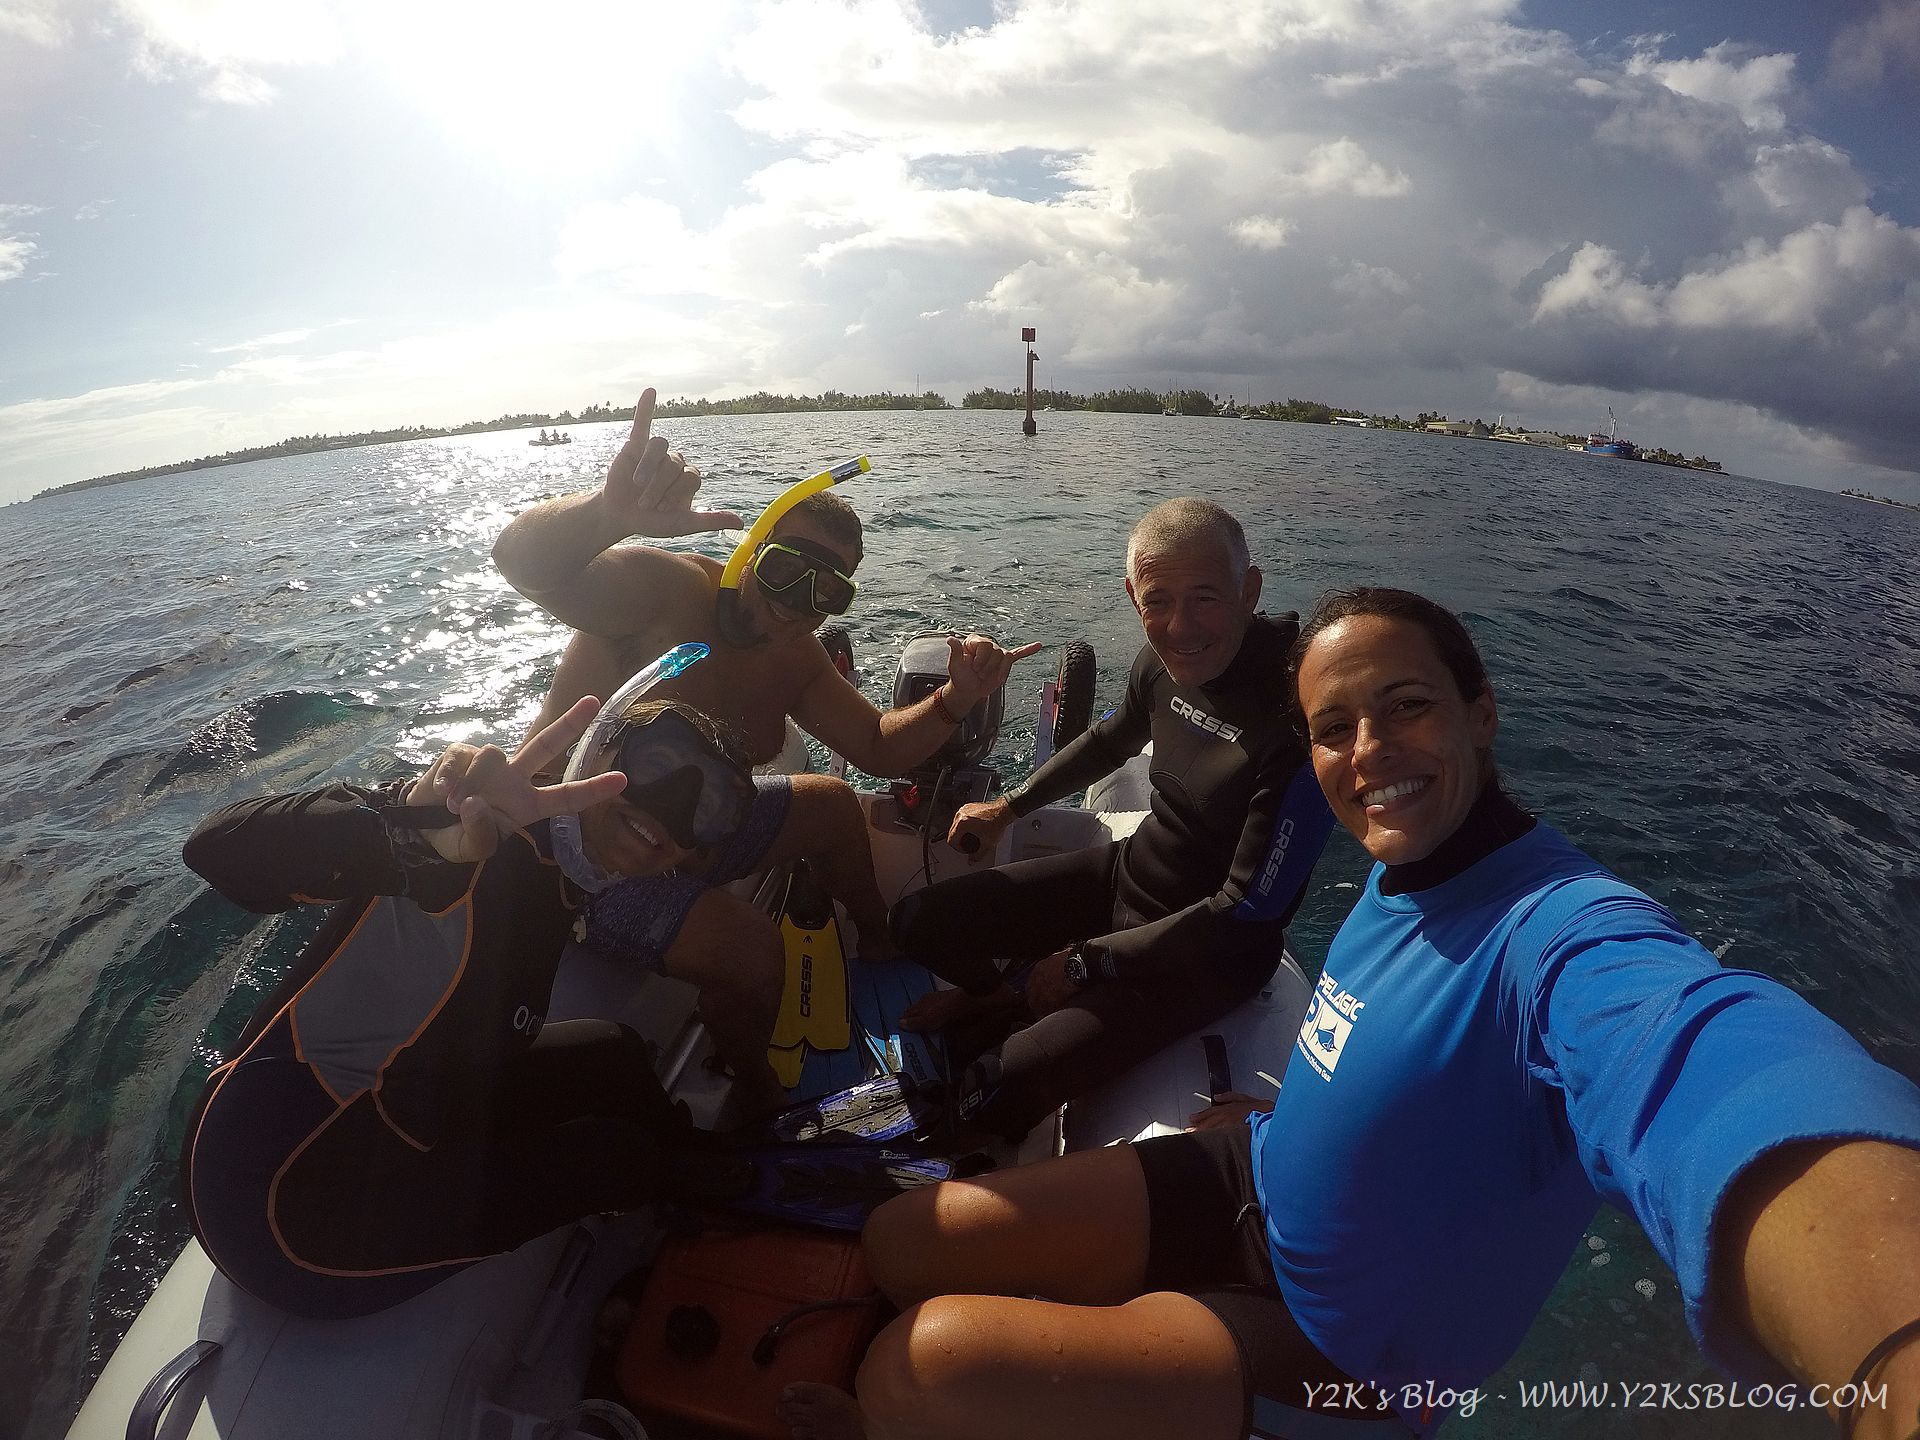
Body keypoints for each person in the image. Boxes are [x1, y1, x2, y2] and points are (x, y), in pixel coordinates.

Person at [779, 586, 1920, 1440]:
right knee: (901, 1237)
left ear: (1482, 714)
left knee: (914, 1370)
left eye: (1406, 707)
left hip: (1347, 1356)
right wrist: (1291, 1110)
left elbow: (1713, 1067)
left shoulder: (1567, 933)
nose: (1368, 752)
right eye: (1333, 728)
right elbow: (1387, 1042)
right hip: (1255, 1172)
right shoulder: (1402, 866)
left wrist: (1894, 1354)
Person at [492, 390, 1040, 1109]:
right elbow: (524, 564)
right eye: (786, 570)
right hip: (579, 858)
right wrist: (605, 515)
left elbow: (876, 746)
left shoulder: (796, 655)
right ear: (751, 550)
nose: (796, 602)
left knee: (835, 805)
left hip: (692, 838)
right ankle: (758, 1099)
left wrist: (956, 700)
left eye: (826, 591)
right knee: (755, 952)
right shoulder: (662, 591)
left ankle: (878, 943)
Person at [177, 694, 750, 1319]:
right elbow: (216, 849)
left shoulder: (564, 875)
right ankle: (711, 1205)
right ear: (599, 752)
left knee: (614, 1055)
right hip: (288, 1207)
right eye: (656, 763)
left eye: (709, 805)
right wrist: (411, 837)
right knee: (612, 1158)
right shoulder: (460, 844)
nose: (669, 810)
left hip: (411, 1113)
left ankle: (704, 1164)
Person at [886, 496, 1334, 1140]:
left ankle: (1022, 1008)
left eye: (1205, 597)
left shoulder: (1295, 714)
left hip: (1202, 958)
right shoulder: (1163, 661)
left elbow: (1245, 911)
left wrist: (1082, 963)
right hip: (1128, 877)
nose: (1180, 626)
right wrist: (1009, 806)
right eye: (1157, 601)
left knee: (985, 1095)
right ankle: (999, 998)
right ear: (1132, 593)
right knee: (918, 921)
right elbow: (1111, 740)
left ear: (1250, 589)